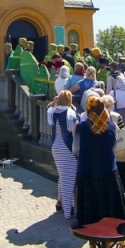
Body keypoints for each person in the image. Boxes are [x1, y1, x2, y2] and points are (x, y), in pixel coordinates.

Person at [73, 96, 125, 248]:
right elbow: (114, 149)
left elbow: (76, 149)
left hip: (87, 175)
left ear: (89, 112)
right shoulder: (111, 126)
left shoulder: (81, 127)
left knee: (90, 214)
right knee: (108, 212)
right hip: (108, 175)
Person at [47, 90, 79, 218]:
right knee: (69, 180)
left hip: (56, 146)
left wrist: (55, 102)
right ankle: (69, 209)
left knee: (63, 176)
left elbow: (49, 107)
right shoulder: (71, 113)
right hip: (67, 148)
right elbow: (74, 134)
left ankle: (61, 203)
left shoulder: (52, 111)